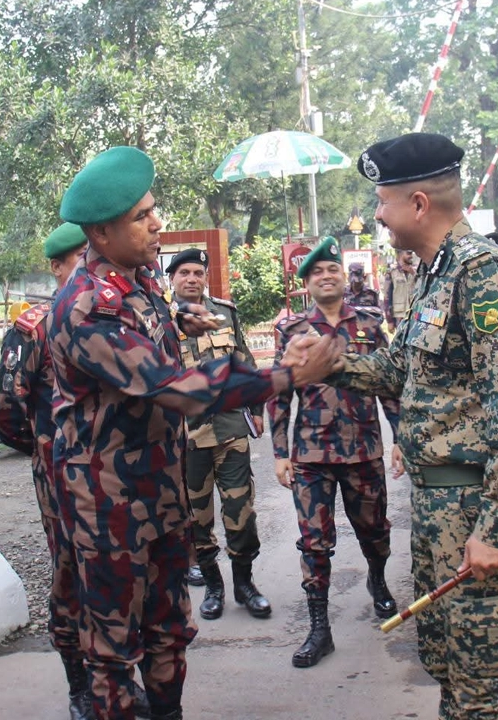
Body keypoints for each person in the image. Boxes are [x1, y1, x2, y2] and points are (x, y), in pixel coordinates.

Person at [47, 146, 341, 720]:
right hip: (107, 505)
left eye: (154, 210)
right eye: (142, 216)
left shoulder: (138, 284)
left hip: (159, 491)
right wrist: (284, 375)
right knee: (113, 651)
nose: (158, 224)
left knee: (169, 630)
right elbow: (176, 389)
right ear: (101, 234)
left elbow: (154, 325)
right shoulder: (85, 309)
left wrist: (187, 321)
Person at [292, 133, 498, 718]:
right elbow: (400, 368)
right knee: (447, 660)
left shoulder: (485, 277)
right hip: (436, 503)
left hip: (474, 503)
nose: (376, 214)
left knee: (489, 682)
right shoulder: (436, 273)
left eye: (382, 201)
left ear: (419, 203)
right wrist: (333, 363)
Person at [0, 223, 151, 720]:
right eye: (78, 259)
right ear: (58, 266)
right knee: (71, 575)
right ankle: (80, 685)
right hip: (65, 478)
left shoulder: (120, 310)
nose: (89, 266)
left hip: (124, 475)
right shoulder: (35, 326)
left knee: (124, 575)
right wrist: (47, 447)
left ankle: (122, 677)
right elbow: (5, 410)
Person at [271, 236, 400, 670]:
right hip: (310, 454)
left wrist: (400, 438)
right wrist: (279, 453)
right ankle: (319, 627)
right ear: (306, 284)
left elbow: (388, 384)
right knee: (314, 543)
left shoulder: (367, 324)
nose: (327, 277)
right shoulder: (292, 332)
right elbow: (279, 394)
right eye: (317, 273)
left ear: (344, 278)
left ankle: (377, 579)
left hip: (364, 449)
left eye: (333, 270)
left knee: (375, 531)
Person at [165, 247, 271, 622]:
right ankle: (213, 587)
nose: (192, 279)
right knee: (197, 516)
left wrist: (257, 410)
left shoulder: (224, 313)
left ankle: (245, 585)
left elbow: (245, 362)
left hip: (229, 429)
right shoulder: (161, 320)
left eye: (198, 272)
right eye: (184, 273)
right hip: (185, 436)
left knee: (240, 510)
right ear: (172, 279)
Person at [381, 249, 417, 331]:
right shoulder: (392, 272)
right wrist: (389, 320)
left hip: (414, 314)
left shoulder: (416, 271)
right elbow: (387, 297)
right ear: (400, 254)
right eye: (408, 253)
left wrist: (414, 273)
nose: (411, 256)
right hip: (399, 315)